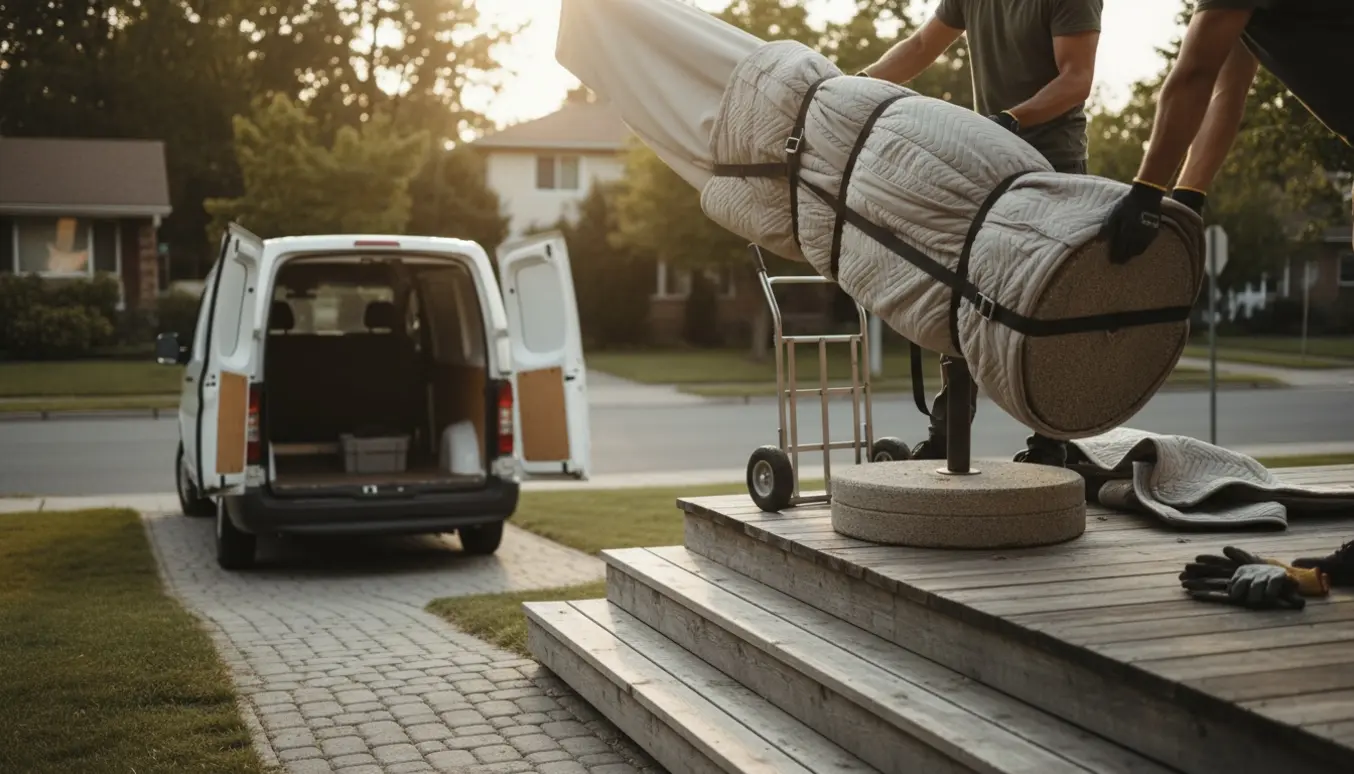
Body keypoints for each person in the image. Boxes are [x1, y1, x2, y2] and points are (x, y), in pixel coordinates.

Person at [861, 0, 1103, 464]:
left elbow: (1077, 78)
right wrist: (857, 84)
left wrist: (1012, 118)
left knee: (1047, 304)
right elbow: (922, 45)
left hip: (1052, 164)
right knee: (960, 294)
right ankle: (948, 436)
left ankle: (1051, 444)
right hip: (988, 159)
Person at [1101, 0, 1354, 264]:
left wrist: (1145, 195)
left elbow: (1195, 75)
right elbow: (1226, 93)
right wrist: (1187, 200)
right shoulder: (1239, 13)